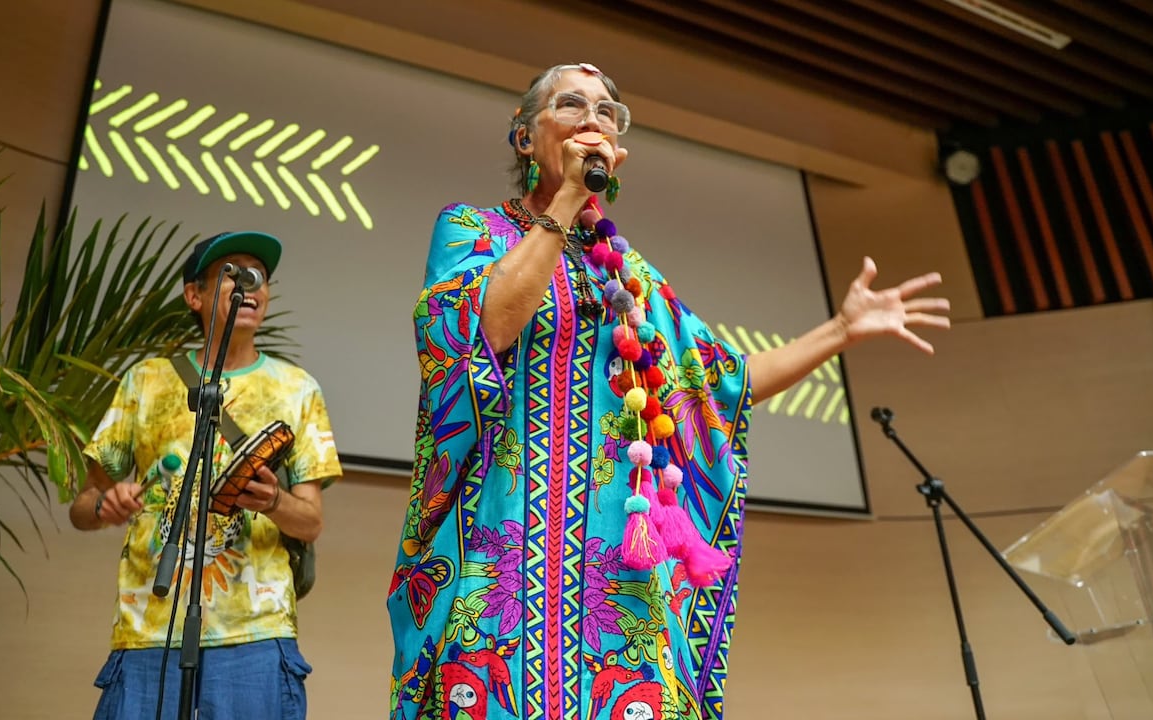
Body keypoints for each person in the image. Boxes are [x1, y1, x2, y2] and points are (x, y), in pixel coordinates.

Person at [386, 63, 950, 720]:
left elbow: (718, 386)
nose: (592, 116)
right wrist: (568, 197)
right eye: (571, 104)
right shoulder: (472, 230)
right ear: (523, 138)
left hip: (619, 580)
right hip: (496, 565)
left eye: (607, 110)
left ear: (619, 149)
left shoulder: (632, 279)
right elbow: (489, 327)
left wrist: (840, 330)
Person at [70, 231, 343, 720]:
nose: (252, 286)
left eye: (260, 277)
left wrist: (274, 502)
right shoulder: (146, 381)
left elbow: (311, 523)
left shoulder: (298, 389)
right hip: (149, 628)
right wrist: (104, 506)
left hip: (256, 635)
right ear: (194, 295)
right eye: (233, 275)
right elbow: (82, 506)